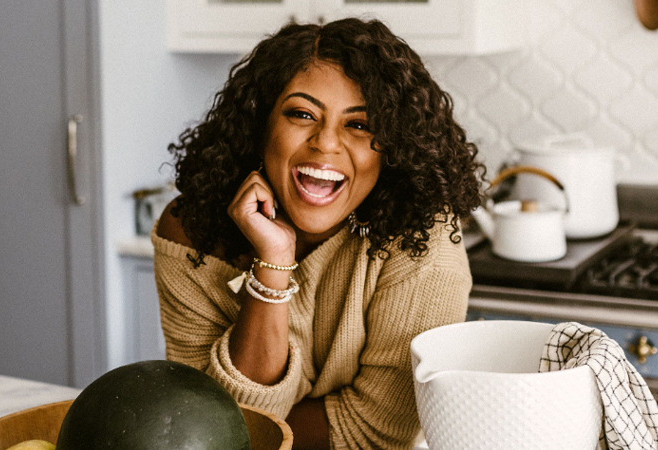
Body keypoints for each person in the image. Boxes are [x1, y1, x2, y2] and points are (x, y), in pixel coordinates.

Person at [153, 18, 483, 450]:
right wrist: (273, 262)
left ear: (392, 146)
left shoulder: (421, 233)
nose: (326, 143)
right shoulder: (192, 232)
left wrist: (248, 428)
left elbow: (376, 435)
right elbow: (217, 423)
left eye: (360, 124)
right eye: (302, 114)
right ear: (261, 124)